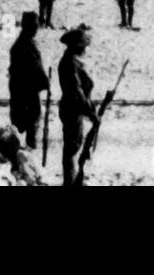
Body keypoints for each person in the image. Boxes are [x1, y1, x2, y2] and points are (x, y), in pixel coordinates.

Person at [58, 25, 98, 186]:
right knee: (72, 148)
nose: (86, 50)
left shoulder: (72, 61)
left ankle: (72, 180)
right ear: (77, 46)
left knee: (74, 145)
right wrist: (90, 113)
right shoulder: (70, 63)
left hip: (75, 108)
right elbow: (77, 92)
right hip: (73, 109)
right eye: (84, 46)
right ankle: (71, 181)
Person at [8, 11, 49, 149]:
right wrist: (44, 82)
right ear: (27, 26)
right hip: (26, 91)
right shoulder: (24, 45)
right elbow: (34, 68)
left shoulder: (25, 43)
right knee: (28, 123)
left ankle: (23, 153)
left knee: (25, 123)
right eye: (34, 25)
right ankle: (26, 153)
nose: (36, 28)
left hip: (24, 90)